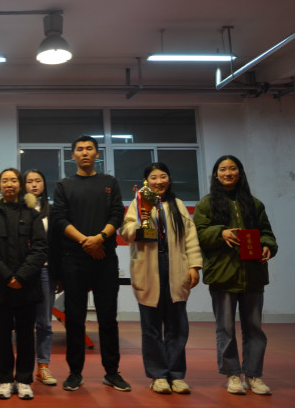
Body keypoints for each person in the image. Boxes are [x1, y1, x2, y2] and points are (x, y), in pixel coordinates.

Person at [48, 135, 130, 392]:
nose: (84, 152)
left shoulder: (109, 183)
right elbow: (59, 219)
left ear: (97, 153)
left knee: (108, 317)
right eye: (80, 149)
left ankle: (112, 372)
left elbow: (117, 214)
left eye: (89, 149)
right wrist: (86, 241)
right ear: (72, 155)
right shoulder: (64, 185)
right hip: (74, 260)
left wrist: (100, 238)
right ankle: (75, 372)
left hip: (105, 258)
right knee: (75, 318)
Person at [193, 155, 278, 396]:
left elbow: (267, 233)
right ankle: (232, 374)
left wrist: (268, 246)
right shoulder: (206, 204)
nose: (228, 173)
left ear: (239, 172)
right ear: (215, 174)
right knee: (226, 329)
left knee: (254, 328)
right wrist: (220, 233)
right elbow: (198, 233)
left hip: (253, 275)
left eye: (232, 169)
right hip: (222, 275)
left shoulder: (254, 204)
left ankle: (253, 375)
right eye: (223, 169)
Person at [119, 163, 202, 394]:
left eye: (163, 176)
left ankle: (176, 375)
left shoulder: (178, 205)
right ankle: (158, 375)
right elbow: (125, 233)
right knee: (151, 327)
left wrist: (194, 266)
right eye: (153, 178)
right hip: (148, 269)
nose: (159, 181)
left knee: (178, 326)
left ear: (169, 179)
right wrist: (141, 221)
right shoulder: (138, 204)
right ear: (146, 182)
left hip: (176, 268)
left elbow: (190, 237)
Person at [0, 168, 47, 400]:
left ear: (20, 185)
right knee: (1, 335)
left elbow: (40, 248)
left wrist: (21, 277)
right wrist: (8, 277)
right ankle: (6, 380)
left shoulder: (32, 214)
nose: (9, 184)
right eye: (5, 181)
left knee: (26, 335)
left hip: (27, 286)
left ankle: (24, 380)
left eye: (13, 180)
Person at [23, 169, 57, 386]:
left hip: (45, 271)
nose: (34, 185)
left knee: (44, 322)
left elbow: (57, 243)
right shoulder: (19, 209)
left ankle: (43, 366)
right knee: (23, 322)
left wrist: (59, 274)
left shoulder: (51, 211)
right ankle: (23, 368)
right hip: (23, 272)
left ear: (44, 184)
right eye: (29, 181)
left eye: (38, 181)